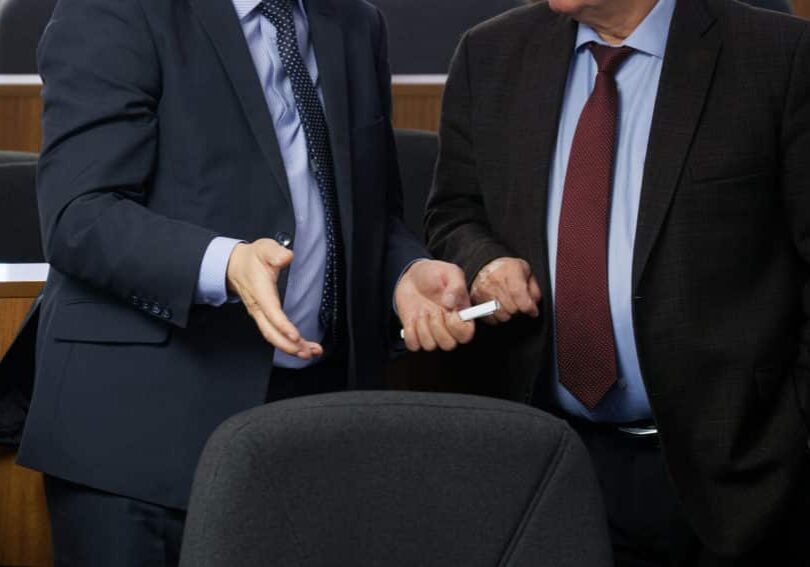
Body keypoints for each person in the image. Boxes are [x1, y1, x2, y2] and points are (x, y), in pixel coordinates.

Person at [17, 0, 475, 563]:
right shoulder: (117, 9)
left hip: (316, 422)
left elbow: (366, 209)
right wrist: (225, 263)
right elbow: (79, 216)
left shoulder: (355, 21)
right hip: (142, 431)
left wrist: (403, 272)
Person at [425, 0, 810, 564]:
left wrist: (792, 434)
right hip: (548, 462)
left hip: (737, 466)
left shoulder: (779, 56)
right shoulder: (490, 53)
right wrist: (483, 261)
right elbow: (455, 212)